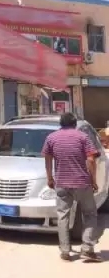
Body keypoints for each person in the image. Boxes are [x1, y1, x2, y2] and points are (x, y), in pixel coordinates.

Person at [41, 112, 102, 262]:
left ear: (61, 124)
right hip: (82, 183)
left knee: (63, 216)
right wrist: (93, 181)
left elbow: (47, 159)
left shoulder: (51, 138)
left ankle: (65, 251)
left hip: (62, 183)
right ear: (75, 124)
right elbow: (91, 160)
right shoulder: (83, 137)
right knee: (90, 214)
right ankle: (87, 249)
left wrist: (50, 178)